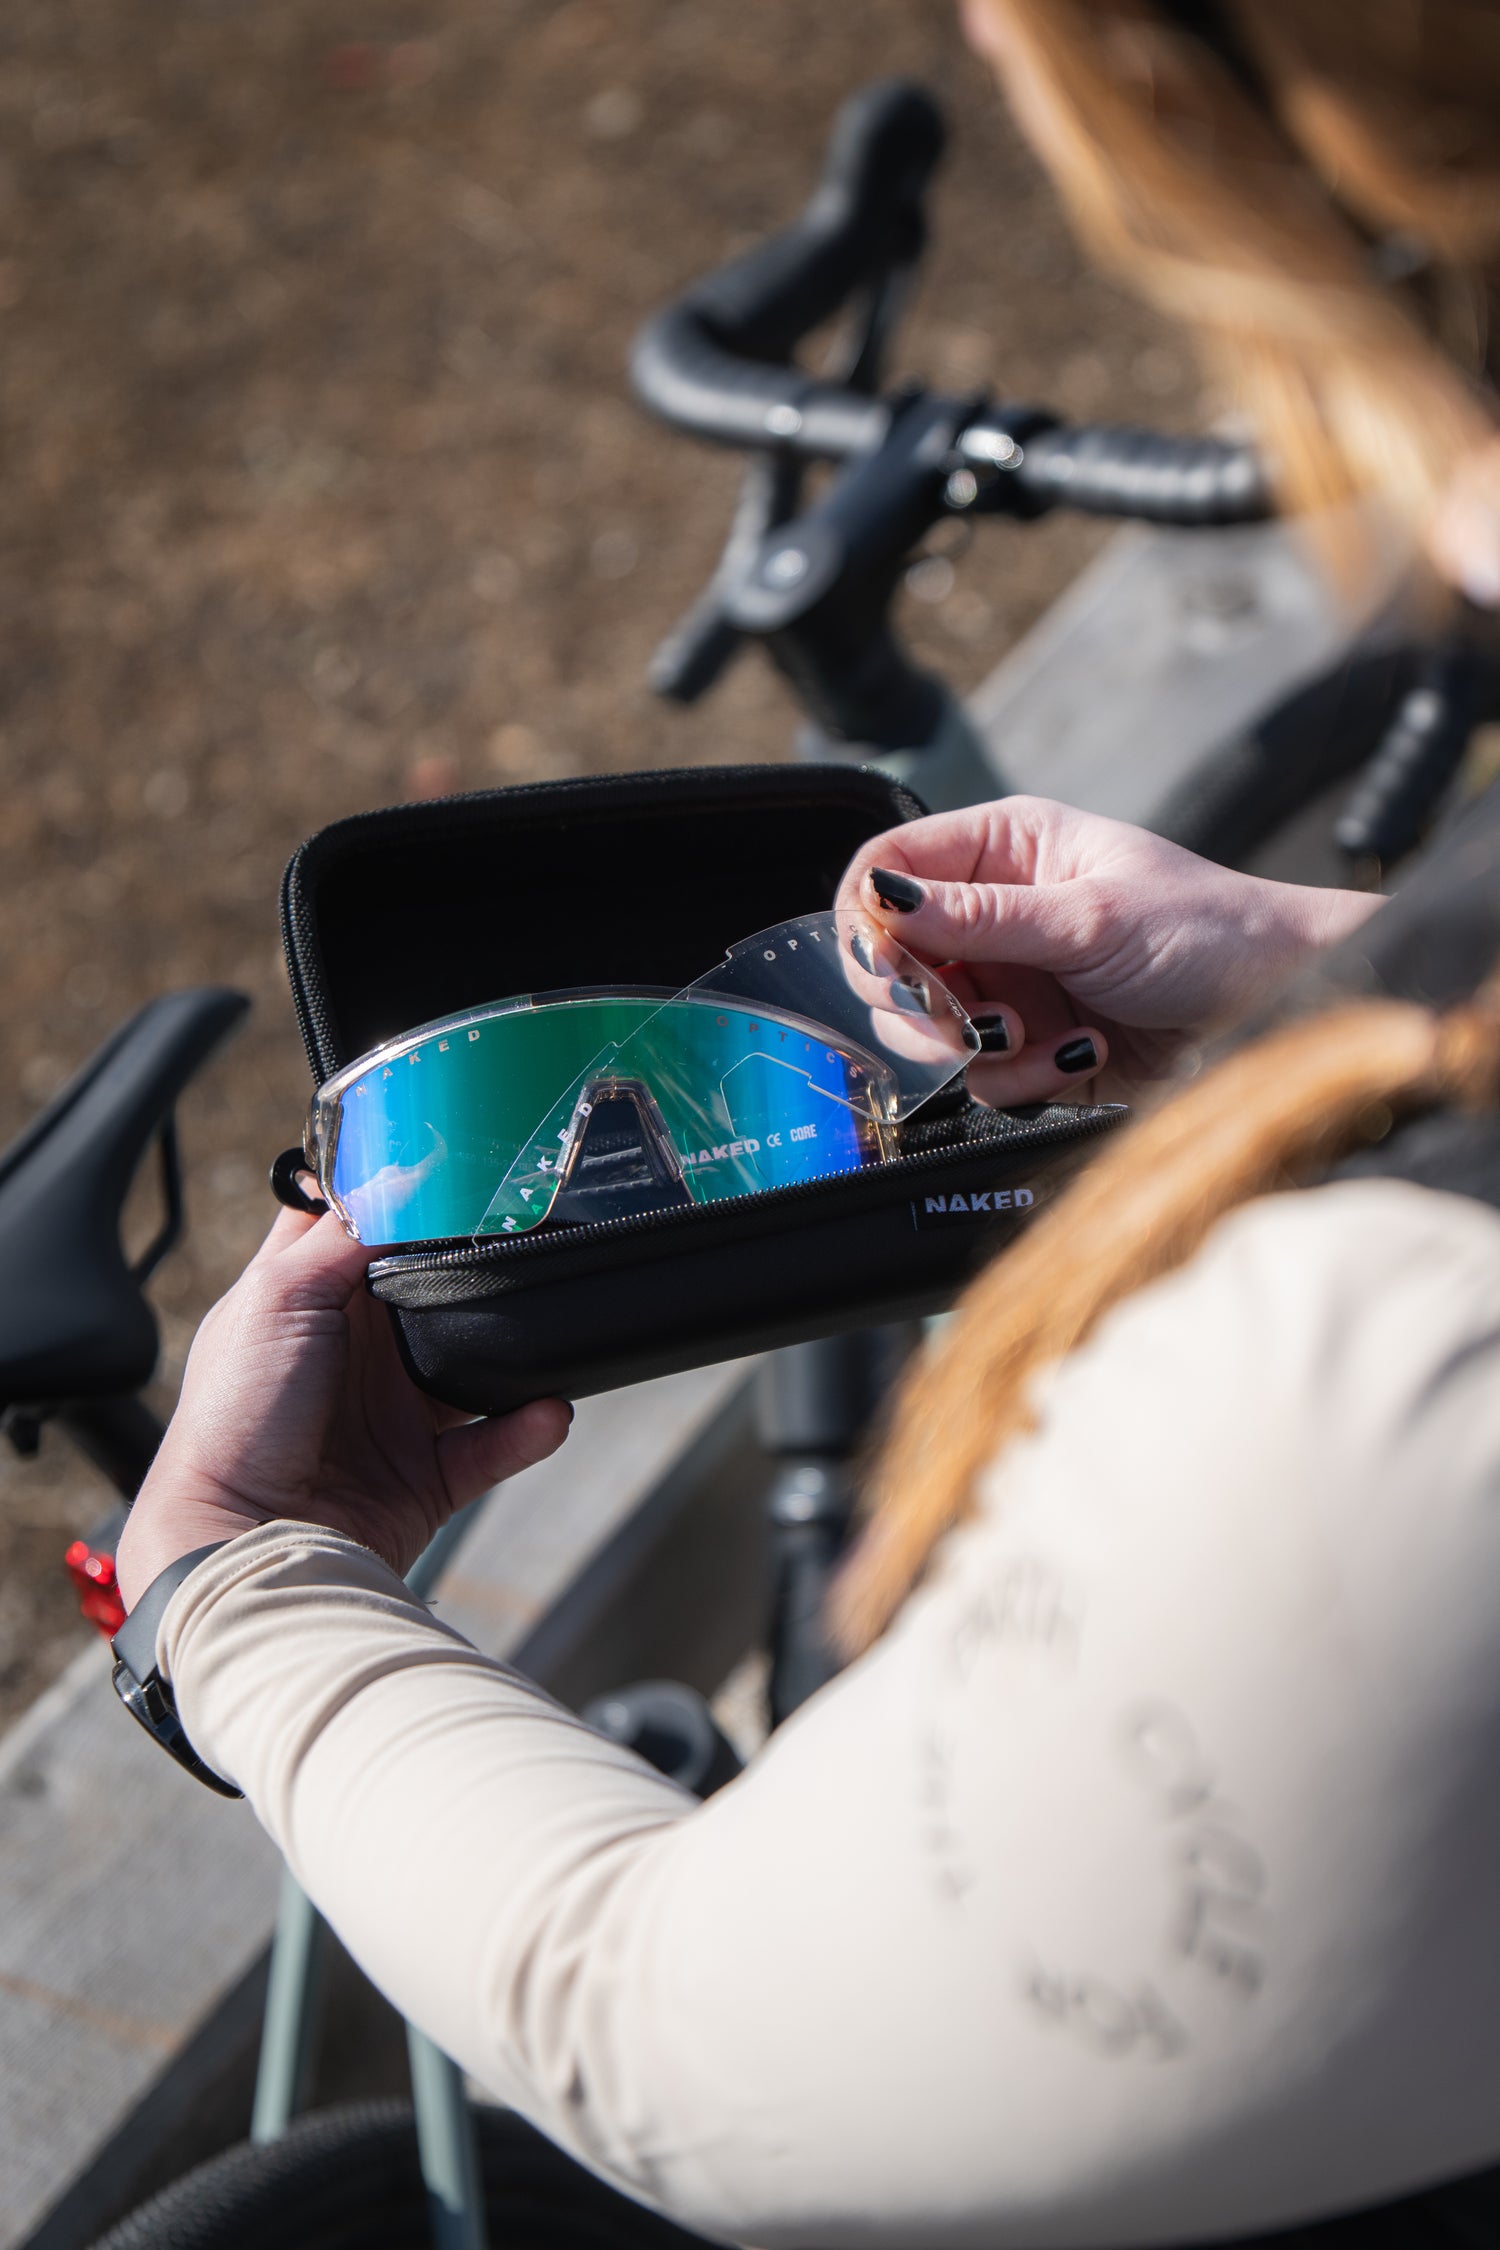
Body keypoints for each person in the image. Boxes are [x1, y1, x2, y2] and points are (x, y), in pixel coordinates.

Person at [114, 3, 1500, 2242]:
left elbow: (669, 2037)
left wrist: (230, 1587)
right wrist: (1306, 961)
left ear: (1190, 116)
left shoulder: (1394, 1382)